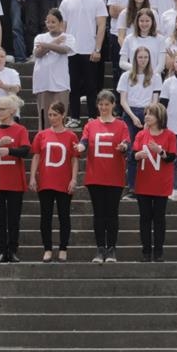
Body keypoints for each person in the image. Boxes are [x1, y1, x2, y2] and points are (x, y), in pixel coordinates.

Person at [0, 94, 31, 264]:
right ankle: (2, 250)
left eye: (2, 109)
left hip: (14, 180)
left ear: (12, 111)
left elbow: (25, 150)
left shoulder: (20, 130)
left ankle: (13, 250)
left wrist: (9, 151)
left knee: (13, 218)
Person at [80, 90, 130, 262]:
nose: (103, 107)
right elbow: (84, 141)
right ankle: (100, 249)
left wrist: (123, 147)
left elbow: (126, 142)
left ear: (113, 105)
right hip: (95, 176)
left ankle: (112, 249)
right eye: (100, 104)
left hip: (114, 176)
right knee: (98, 214)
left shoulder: (121, 125)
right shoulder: (91, 125)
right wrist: (80, 147)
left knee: (112, 214)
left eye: (107, 104)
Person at [29, 100, 77, 263]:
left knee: (64, 216)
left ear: (63, 115)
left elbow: (74, 159)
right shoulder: (41, 135)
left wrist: (74, 179)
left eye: (55, 115)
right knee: (46, 216)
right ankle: (47, 248)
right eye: (50, 115)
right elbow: (36, 155)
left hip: (63, 180)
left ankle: (63, 248)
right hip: (46, 180)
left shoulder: (71, 135)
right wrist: (32, 176)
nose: (52, 118)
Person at [133, 102, 177, 262]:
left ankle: (158, 252)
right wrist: (137, 156)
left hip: (161, 183)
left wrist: (161, 152)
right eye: (146, 114)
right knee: (144, 218)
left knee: (159, 218)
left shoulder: (169, 135)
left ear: (159, 117)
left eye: (150, 114)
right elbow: (133, 154)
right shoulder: (141, 135)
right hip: (143, 183)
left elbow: (172, 157)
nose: (147, 117)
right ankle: (146, 251)